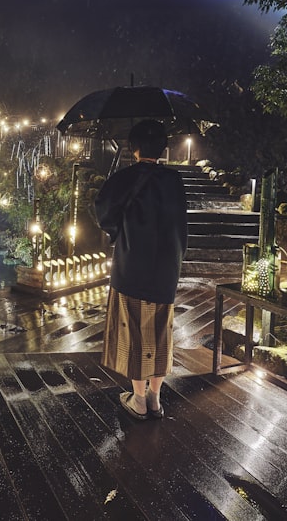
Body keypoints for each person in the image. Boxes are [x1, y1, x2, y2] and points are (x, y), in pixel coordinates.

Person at [94, 119, 187, 420]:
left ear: (134, 148)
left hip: (131, 266)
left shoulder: (124, 178)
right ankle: (156, 400)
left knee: (132, 332)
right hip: (165, 269)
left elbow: (104, 214)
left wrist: (118, 228)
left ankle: (138, 400)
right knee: (160, 333)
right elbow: (182, 227)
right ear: (163, 148)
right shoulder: (174, 182)